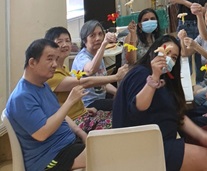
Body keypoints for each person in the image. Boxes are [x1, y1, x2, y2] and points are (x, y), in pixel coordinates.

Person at [112, 35, 207, 171]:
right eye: (166, 52)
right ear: (154, 51)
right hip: (140, 146)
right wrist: (154, 77)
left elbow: (177, 115)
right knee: (205, 159)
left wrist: (202, 135)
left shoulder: (166, 80)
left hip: (161, 140)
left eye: (174, 57)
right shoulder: (141, 73)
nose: (169, 59)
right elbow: (138, 108)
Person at [5, 39, 88, 171]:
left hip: (68, 145)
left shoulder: (43, 85)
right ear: (32, 62)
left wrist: (81, 133)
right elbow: (42, 133)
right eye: (50, 59)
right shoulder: (22, 97)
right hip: (49, 159)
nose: (55, 64)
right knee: (105, 156)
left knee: (105, 145)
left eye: (56, 59)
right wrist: (70, 101)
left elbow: (59, 115)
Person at [45, 27, 127, 132]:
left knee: (123, 112)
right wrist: (116, 77)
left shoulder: (64, 68)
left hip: (84, 112)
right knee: (121, 121)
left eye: (67, 41)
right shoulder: (53, 74)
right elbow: (85, 81)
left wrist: (84, 110)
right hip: (75, 120)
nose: (65, 45)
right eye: (59, 42)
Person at [71, 20, 118, 111]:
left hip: (100, 99)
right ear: (84, 40)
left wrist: (117, 92)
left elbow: (103, 83)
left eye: (100, 34)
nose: (98, 38)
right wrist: (104, 45)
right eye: (92, 35)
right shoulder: (82, 57)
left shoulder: (97, 54)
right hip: (87, 103)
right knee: (120, 106)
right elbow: (90, 70)